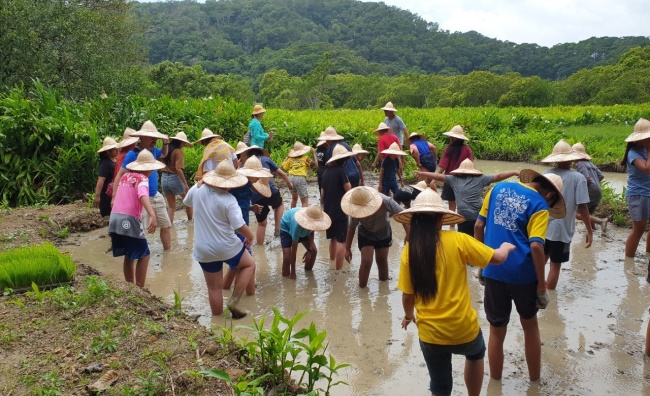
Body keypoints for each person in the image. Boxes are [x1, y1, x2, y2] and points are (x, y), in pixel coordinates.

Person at [395, 188, 516, 396]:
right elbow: (496, 258)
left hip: (431, 334)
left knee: (440, 387)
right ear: (441, 219)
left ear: (414, 220)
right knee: (476, 353)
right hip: (463, 329)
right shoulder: (458, 241)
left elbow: (408, 296)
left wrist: (408, 316)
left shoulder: (409, 250)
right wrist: (506, 246)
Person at [475, 169, 566, 382]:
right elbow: (536, 246)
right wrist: (541, 286)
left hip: (494, 269)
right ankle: (534, 382)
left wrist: (483, 261)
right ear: (551, 195)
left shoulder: (497, 189)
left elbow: (479, 225)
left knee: (496, 330)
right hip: (523, 276)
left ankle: (495, 383)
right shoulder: (540, 205)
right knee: (530, 326)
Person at [183, 160, 256, 319]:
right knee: (249, 264)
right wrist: (250, 236)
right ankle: (235, 301)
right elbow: (239, 226)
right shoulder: (229, 199)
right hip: (227, 246)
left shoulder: (198, 188)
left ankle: (217, 321)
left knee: (214, 288)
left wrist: (198, 185)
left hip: (203, 249)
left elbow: (186, 201)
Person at [415, 159, 519, 236]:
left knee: (465, 245)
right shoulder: (481, 179)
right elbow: (498, 176)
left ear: (460, 170)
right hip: (479, 217)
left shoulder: (454, 179)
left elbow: (437, 176)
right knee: (477, 244)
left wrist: (422, 173)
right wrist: (514, 172)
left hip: (463, 217)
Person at [112, 120, 172, 251]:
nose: (155, 140)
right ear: (143, 137)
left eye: (156, 138)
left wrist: (166, 142)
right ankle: (142, 254)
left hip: (156, 195)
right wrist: (114, 196)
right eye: (152, 138)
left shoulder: (154, 150)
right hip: (140, 197)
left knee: (166, 225)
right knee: (140, 229)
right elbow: (120, 175)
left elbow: (164, 154)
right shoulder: (132, 154)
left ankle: (167, 253)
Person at [541, 139, 593, 290]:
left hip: (542, 225)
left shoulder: (545, 174)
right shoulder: (578, 178)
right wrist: (589, 230)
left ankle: (536, 289)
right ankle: (549, 297)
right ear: (572, 158)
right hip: (562, 229)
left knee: (540, 261)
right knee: (555, 266)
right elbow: (582, 207)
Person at [109, 149, 163, 288]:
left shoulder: (126, 177)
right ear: (150, 168)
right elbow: (142, 195)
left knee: (129, 254)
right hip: (128, 220)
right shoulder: (143, 179)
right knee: (144, 255)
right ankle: (140, 290)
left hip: (114, 219)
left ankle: (130, 288)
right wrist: (152, 215)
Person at [342, 186, 407, 288]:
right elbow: (351, 227)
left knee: (382, 260)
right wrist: (347, 248)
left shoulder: (386, 201)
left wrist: (408, 236)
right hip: (365, 232)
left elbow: (403, 215)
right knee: (366, 261)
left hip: (383, 231)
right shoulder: (356, 207)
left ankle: (384, 290)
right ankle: (362, 290)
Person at [247, 148, 293, 243]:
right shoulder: (266, 159)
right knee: (279, 204)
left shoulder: (245, 165)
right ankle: (277, 229)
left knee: (261, 224)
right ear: (261, 153)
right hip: (270, 190)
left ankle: (260, 247)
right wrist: (289, 183)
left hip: (255, 197)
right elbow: (282, 174)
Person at [322, 144, 354, 270]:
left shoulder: (325, 173)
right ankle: (338, 270)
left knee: (333, 238)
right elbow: (349, 190)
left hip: (328, 210)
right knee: (342, 241)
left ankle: (332, 262)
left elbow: (322, 194)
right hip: (340, 210)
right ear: (343, 160)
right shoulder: (341, 172)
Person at [621, 118, 650, 258]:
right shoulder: (634, 153)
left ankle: (648, 255)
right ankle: (629, 260)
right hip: (638, 194)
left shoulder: (645, 151)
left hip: (648, 193)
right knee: (638, 230)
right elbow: (647, 169)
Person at [280, 205, 331, 280]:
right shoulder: (297, 225)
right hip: (286, 228)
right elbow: (294, 251)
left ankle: (308, 272)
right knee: (287, 257)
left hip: (304, 231)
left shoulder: (314, 222)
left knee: (314, 251)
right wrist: (293, 273)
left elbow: (311, 233)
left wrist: (309, 250)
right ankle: (286, 277)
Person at [572, 142, 609, 232]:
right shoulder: (590, 163)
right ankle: (593, 230)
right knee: (589, 213)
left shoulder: (580, 164)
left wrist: (582, 189)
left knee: (577, 214)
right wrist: (595, 183)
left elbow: (586, 179)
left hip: (591, 191)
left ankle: (601, 221)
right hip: (598, 190)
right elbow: (601, 175)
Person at [438, 125, 474, 214]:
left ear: (454, 138)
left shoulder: (449, 149)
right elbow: (471, 166)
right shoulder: (467, 149)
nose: (450, 138)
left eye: (451, 136)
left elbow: (443, 166)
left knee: (451, 203)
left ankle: (452, 224)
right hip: (463, 179)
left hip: (450, 179)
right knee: (463, 203)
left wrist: (436, 177)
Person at [161, 131, 193, 223]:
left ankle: (169, 226)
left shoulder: (166, 149)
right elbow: (178, 169)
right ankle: (190, 222)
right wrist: (185, 184)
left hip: (164, 178)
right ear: (182, 142)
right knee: (188, 200)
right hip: (174, 178)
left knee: (171, 206)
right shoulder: (178, 152)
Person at [281, 141, 316, 208]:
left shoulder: (291, 158)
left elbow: (283, 165)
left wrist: (288, 156)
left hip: (291, 178)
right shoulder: (306, 158)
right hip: (300, 178)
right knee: (304, 201)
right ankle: (303, 217)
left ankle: (292, 214)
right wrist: (313, 153)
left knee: (294, 199)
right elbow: (314, 165)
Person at [94, 137, 118, 217]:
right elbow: (101, 180)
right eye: (114, 149)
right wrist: (97, 195)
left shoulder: (114, 160)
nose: (117, 150)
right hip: (106, 194)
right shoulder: (105, 163)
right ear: (108, 151)